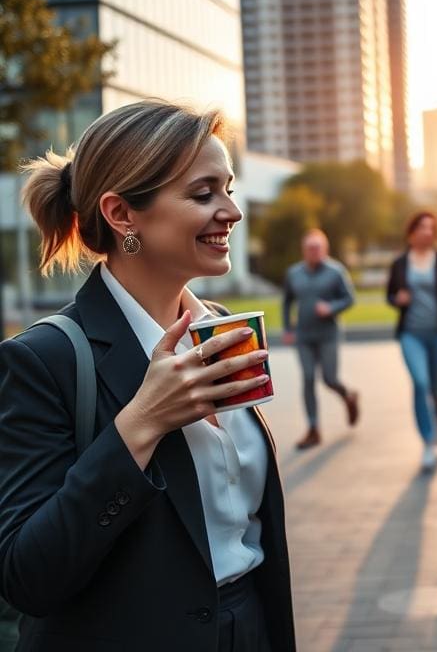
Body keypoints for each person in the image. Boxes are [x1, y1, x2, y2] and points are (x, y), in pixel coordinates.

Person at [0, 101, 295, 651]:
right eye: (203, 193)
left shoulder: (221, 332)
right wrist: (140, 424)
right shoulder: (44, 360)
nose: (231, 211)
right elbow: (27, 576)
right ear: (121, 214)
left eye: (228, 188)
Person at [386, 211, 437, 472]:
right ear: (412, 232)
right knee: (421, 383)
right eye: (422, 227)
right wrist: (398, 300)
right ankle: (427, 443)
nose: (427, 232)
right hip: (411, 334)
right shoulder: (400, 263)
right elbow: (390, 295)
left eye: (432, 228)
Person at [282, 228, 360, 450]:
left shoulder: (336, 272)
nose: (314, 251)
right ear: (304, 250)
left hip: (329, 334)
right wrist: (288, 328)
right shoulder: (294, 273)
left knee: (329, 378)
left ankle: (349, 396)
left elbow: (350, 298)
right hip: (303, 336)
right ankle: (313, 429)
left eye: (318, 247)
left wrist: (331, 307)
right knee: (307, 378)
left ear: (325, 249)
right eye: (310, 248)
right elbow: (287, 302)